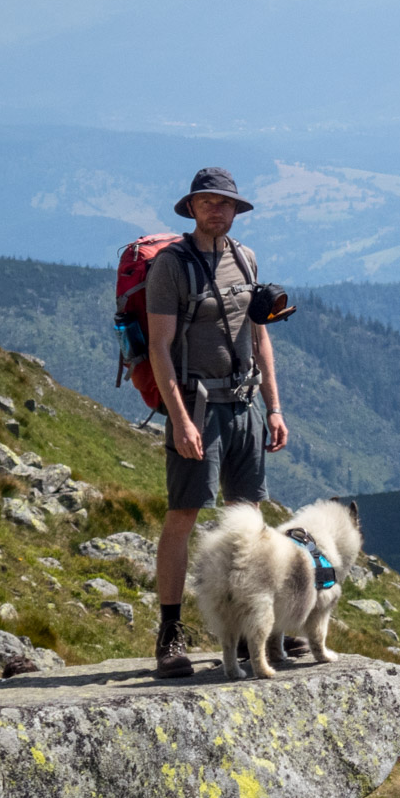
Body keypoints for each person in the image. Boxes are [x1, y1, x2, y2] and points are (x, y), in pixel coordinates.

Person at [148, 167, 293, 678]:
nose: (217, 209)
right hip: (198, 406)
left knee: (248, 521)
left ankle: (260, 630)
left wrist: (273, 407)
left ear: (236, 210)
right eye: (207, 202)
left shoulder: (245, 259)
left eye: (225, 203)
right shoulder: (170, 266)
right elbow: (159, 349)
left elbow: (261, 340)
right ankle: (170, 634)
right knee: (184, 513)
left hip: (246, 405)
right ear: (191, 208)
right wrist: (181, 419)